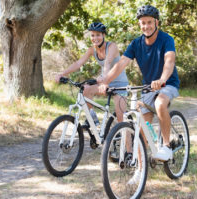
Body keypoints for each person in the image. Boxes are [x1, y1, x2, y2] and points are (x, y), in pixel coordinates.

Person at [98, 5, 180, 162]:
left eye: (149, 22)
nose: (146, 26)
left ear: (157, 23)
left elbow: (169, 61)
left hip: (167, 83)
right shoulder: (136, 44)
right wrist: (106, 81)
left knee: (160, 104)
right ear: (139, 25)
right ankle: (139, 173)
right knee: (142, 131)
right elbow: (121, 64)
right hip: (148, 87)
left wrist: (162, 79)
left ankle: (167, 146)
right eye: (143, 23)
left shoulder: (166, 39)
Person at [55, 22, 129, 124]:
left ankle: (127, 137)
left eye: (98, 35)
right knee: (86, 89)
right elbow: (78, 63)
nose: (95, 38)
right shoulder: (92, 50)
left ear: (104, 35)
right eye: (92, 35)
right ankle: (92, 118)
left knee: (121, 121)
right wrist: (62, 74)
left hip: (120, 85)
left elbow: (107, 62)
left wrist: (104, 78)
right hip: (105, 82)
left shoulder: (112, 46)